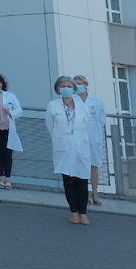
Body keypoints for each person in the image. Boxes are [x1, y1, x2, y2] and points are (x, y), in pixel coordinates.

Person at [45, 76, 92, 225]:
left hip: (81, 147)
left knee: (82, 180)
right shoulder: (53, 106)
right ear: (58, 89)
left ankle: (83, 213)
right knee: (69, 181)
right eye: (63, 85)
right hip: (63, 147)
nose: (66, 88)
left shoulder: (82, 106)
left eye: (69, 86)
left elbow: (87, 125)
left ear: (74, 89)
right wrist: (60, 139)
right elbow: (50, 126)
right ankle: (74, 212)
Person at [72, 74, 106, 205]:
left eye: (81, 83)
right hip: (78, 138)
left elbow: (102, 118)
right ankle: (83, 193)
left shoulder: (96, 100)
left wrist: (94, 131)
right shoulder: (72, 100)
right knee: (80, 166)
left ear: (86, 85)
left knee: (94, 166)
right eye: (76, 84)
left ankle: (95, 194)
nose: (79, 86)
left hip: (94, 137)